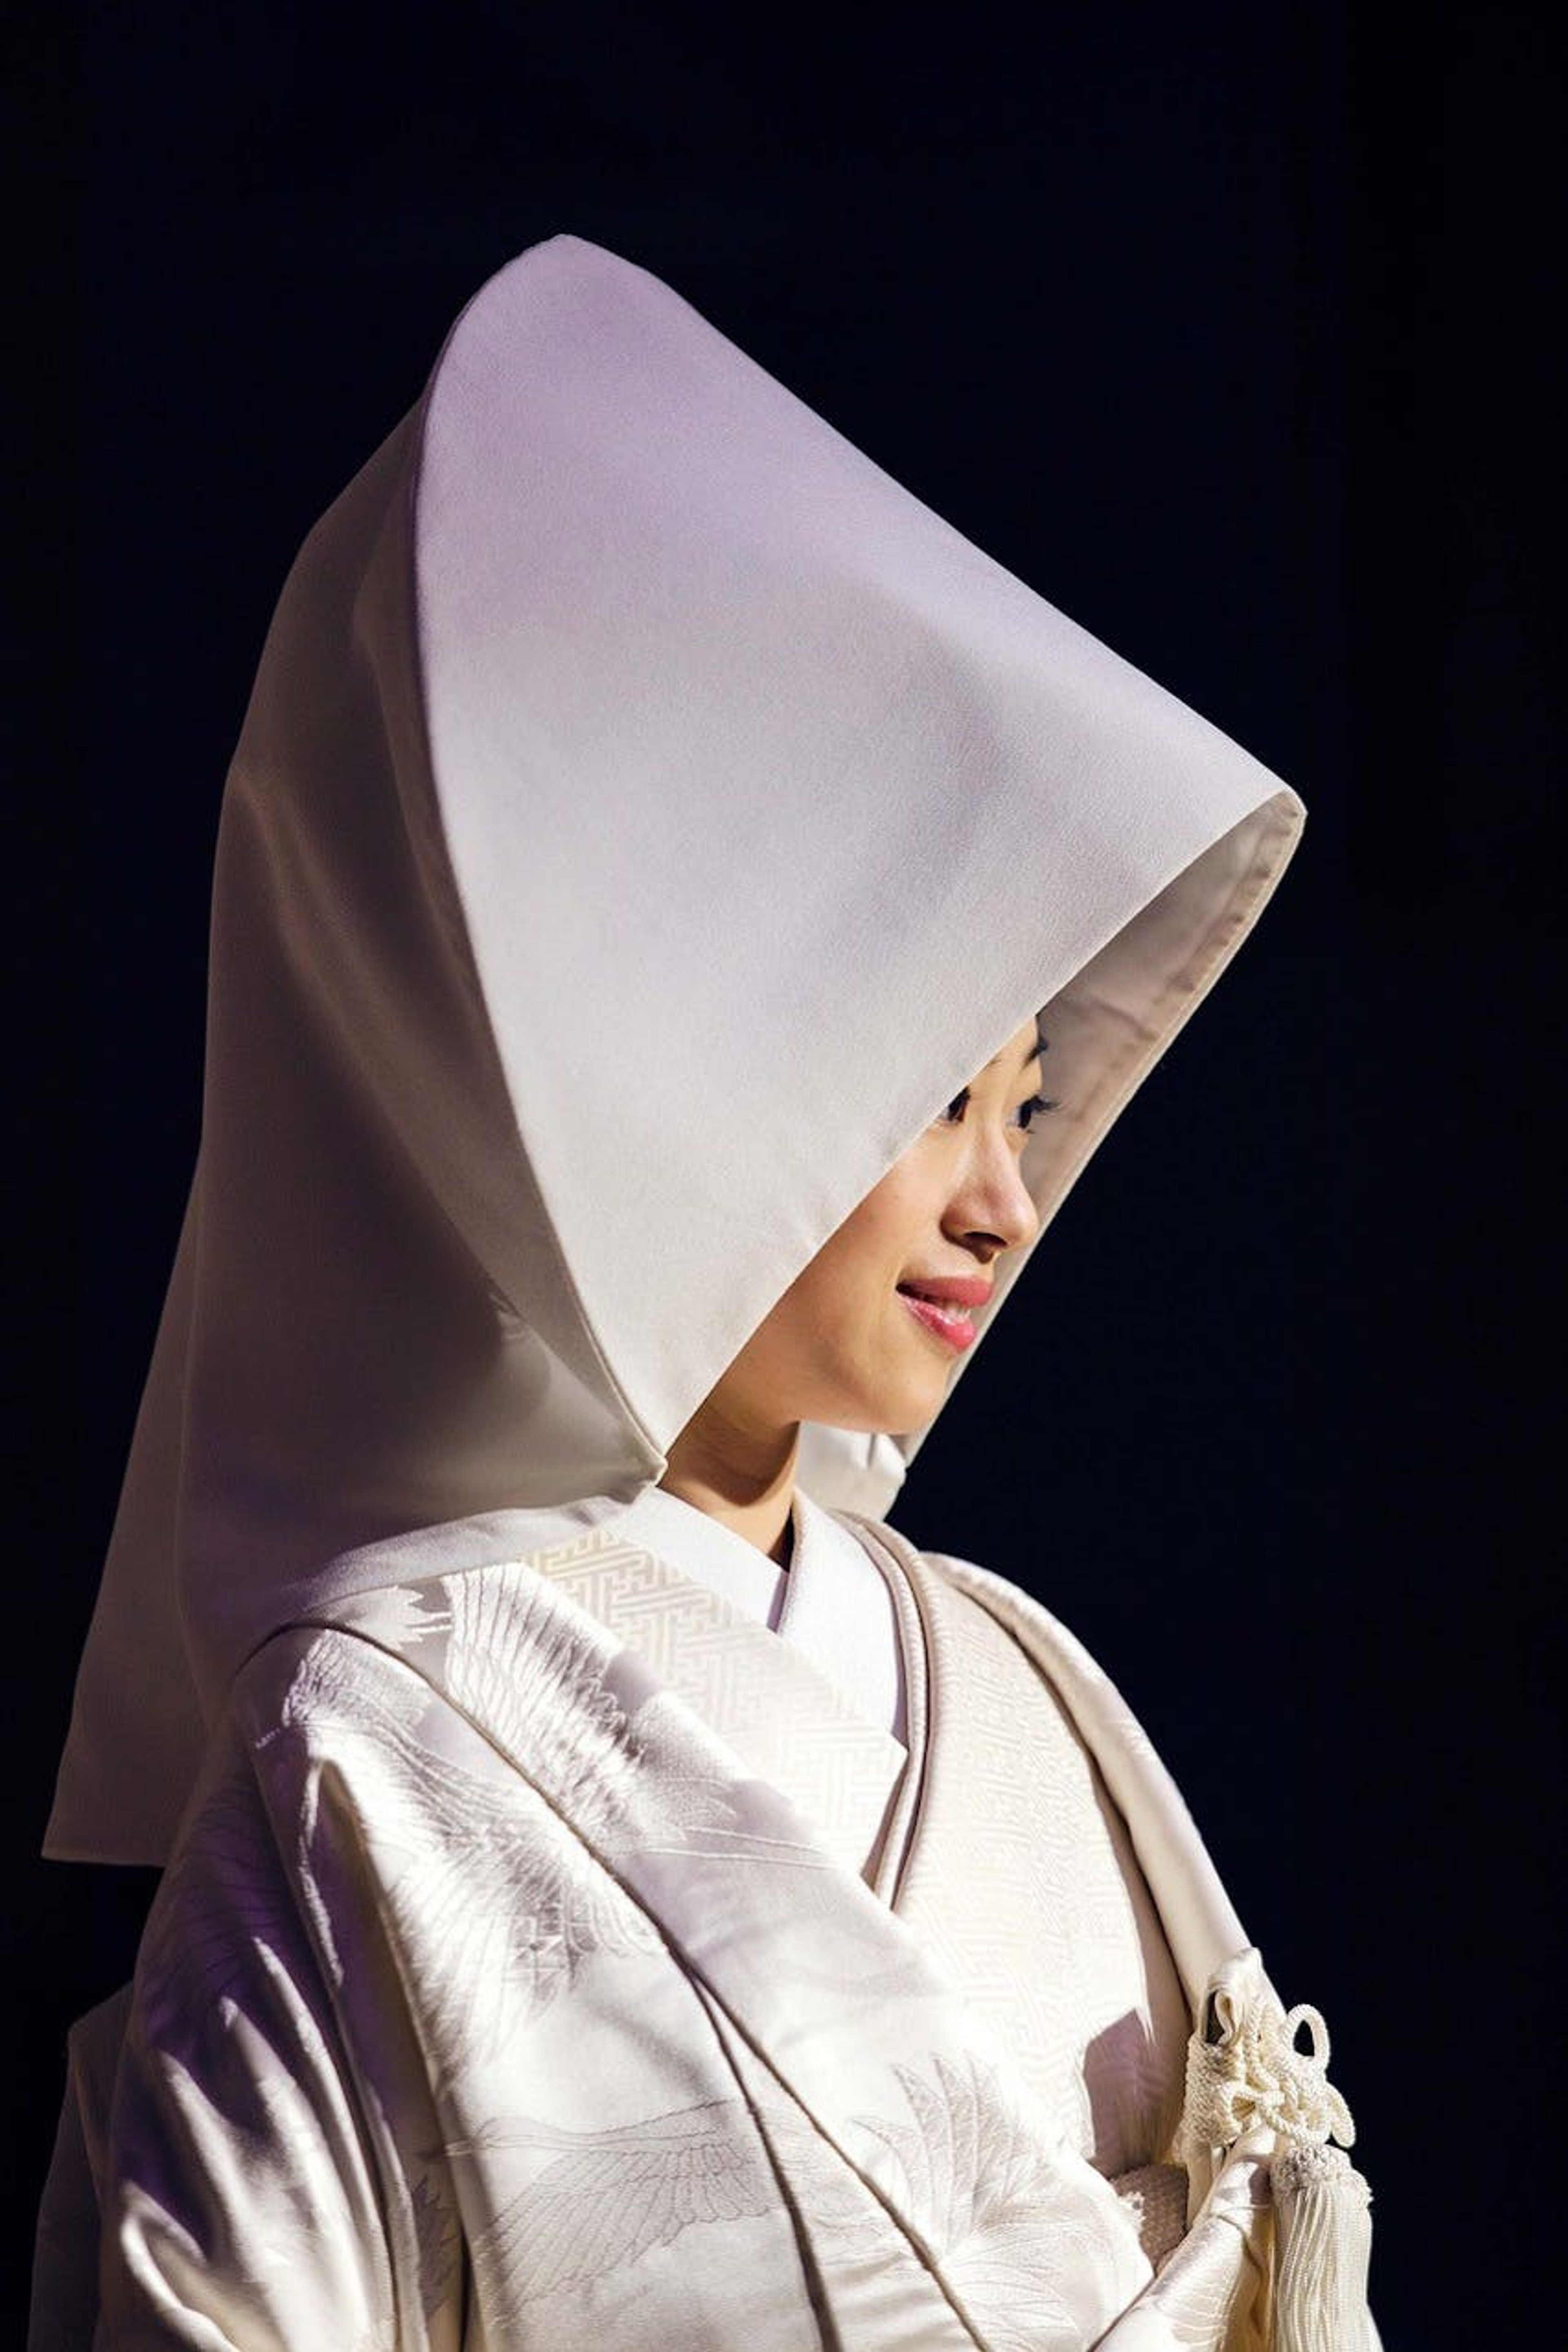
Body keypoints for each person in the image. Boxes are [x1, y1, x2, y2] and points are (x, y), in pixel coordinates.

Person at [31, 232, 1380, 2349]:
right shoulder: (365, 1753)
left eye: (1026, 1106)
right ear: (682, 1081)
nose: (1005, 1205)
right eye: (935, 1099)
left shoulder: (1024, 1685)